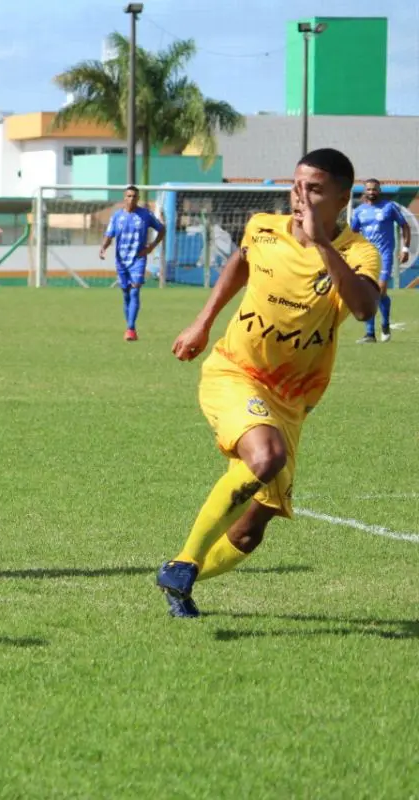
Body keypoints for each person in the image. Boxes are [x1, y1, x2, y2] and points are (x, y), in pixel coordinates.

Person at [156, 148, 381, 618]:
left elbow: (363, 308)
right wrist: (202, 321)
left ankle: (182, 581)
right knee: (267, 455)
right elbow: (239, 263)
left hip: (293, 401)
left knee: (251, 530)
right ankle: (182, 562)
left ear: (342, 198)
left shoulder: (359, 252)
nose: (300, 196)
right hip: (235, 372)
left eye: (314, 188)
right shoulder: (262, 227)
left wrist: (321, 243)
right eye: (296, 185)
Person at [99, 186, 165, 341]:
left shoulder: (145, 215)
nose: (131, 199)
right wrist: (103, 247)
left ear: (138, 198)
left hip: (138, 259)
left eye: (134, 196)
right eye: (128, 196)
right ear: (124, 197)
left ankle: (130, 329)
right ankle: (129, 326)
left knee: (135, 291)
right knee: (126, 294)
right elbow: (109, 235)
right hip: (121, 260)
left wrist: (152, 246)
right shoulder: (116, 217)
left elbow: (161, 229)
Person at [351, 178, 411, 343]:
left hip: (384, 255)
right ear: (365, 191)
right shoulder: (359, 211)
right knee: (368, 292)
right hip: (366, 256)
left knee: (380, 290)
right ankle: (370, 334)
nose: (372, 192)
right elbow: (353, 234)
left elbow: (405, 226)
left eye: (374, 189)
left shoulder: (389, 207)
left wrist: (405, 248)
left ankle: (385, 324)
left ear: (379, 190)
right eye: (369, 189)